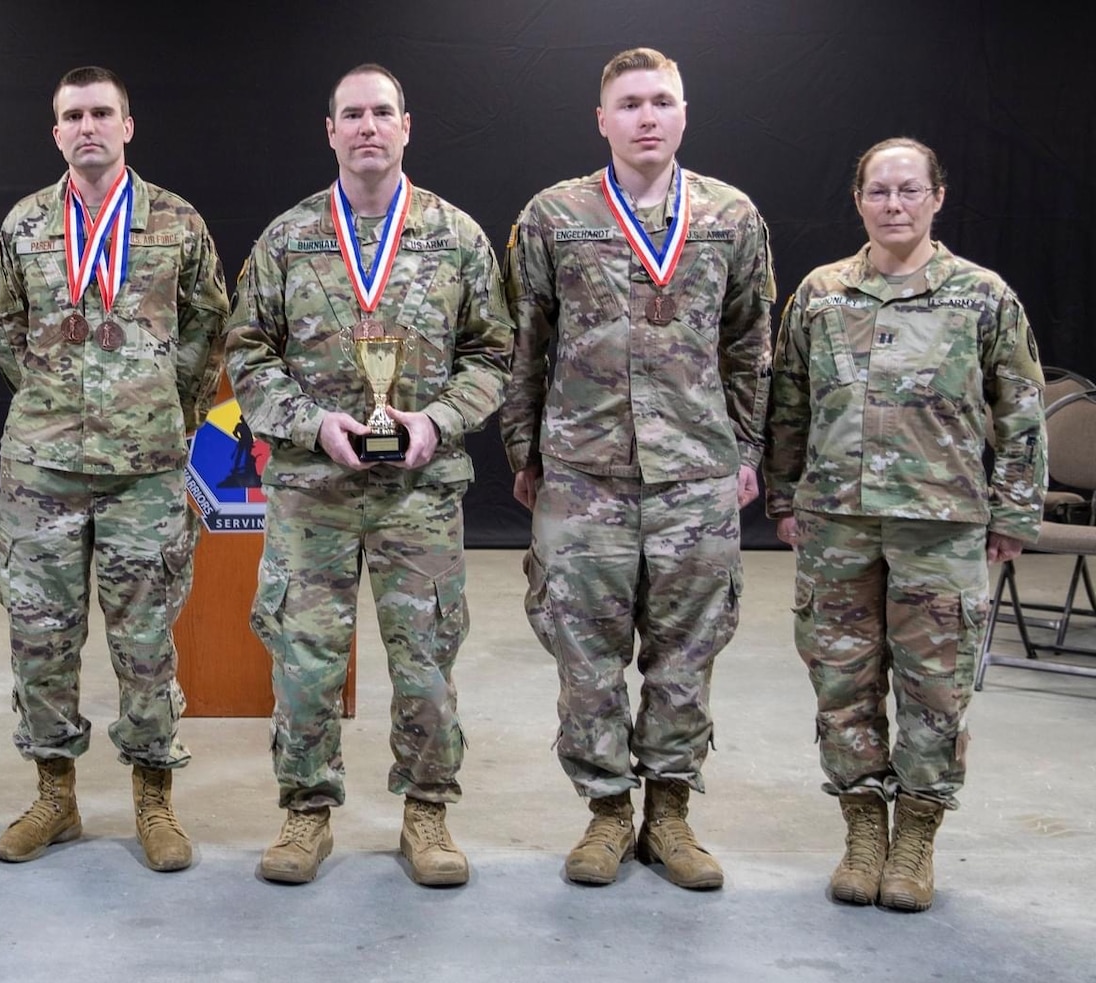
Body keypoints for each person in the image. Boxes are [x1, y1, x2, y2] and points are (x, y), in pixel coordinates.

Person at [226, 64, 513, 886]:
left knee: (424, 659)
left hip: (417, 494)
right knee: (306, 660)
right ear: (330, 131)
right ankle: (304, 813)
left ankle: (426, 814)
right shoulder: (287, 239)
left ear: (406, 126)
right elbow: (245, 353)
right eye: (351, 114)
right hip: (311, 491)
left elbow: (494, 353)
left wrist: (435, 420)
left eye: (381, 112)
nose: (367, 128)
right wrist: (313, 423)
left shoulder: (456, 237)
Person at [501, 47, 775, 890]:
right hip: (583, 478)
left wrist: (744, 448)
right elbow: (522, 344)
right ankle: (606, 813)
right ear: (602, 119)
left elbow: (752, 344)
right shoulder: (553, 215)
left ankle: (673, 814)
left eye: (661, 101)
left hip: (696, 475)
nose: (646, 116)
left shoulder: (731, 216)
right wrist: (524, 450)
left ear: (683, 114)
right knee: (585, 655)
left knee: (686, 653)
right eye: (629, 103)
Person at [766, 137, 1045, 912]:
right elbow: (788, 401)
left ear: (937, 198)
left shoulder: (982, 296)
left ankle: (915, 834)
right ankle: (861, 829)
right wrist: (784, 498)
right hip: (837, 524)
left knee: (935, 689)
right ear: (858, 200)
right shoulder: (820, 295)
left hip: (941, 524)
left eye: (909, 191)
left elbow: (1021, 411)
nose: (894, 205)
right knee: (842, 681)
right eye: (879, 191)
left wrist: (1015, 509)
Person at [0, 65, 229, 871]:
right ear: (56, 132)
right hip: (41, 469)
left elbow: (208, 322)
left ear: (128, 125)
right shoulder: (24, 226)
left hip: (146, 470)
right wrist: (58, 397)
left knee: (146, 639)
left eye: (101, 113)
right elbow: (4, 325)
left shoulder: (178, 222)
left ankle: (154, 800)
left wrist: (161, 397)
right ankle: (55, 797)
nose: (87, 126)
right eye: (72, 115)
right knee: (41, 639)